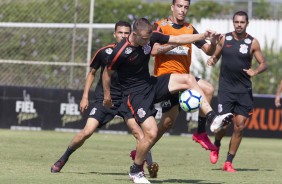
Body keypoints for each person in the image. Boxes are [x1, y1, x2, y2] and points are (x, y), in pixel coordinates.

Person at [102, 18, 233, 183]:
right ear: (134, 35)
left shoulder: (151, 36)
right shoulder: (120, 51)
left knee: (188, 79)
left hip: (151, 83)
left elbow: (178, 39)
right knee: (151, 133)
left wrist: (203, 36)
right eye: (143, 39)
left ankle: (213, 118)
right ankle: (136, 171)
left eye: (149, 38)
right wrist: (107, 95)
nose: (147, 42)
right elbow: (107, 73)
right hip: (135, 95)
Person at [50, 21, 157, 174]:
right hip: (105, 100)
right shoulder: (104, 52)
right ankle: (63, 158)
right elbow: (92, 73)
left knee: (140, 133)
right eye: (120, 32)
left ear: (132, 34)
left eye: (126, 33)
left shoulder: (136, 50)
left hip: (126, 99)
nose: (123, 35)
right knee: (87, 131)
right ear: (114, 34)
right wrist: (85, 96)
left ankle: (148, 166)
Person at [150, 0, 218, 151]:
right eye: (179, 6)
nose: (182, 10)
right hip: (165, 80)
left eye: (186, 7)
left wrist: (213, 43)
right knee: (165, 125)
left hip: (185, 81)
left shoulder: (189, 28)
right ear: (172, 7)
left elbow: (208, 51)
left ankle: (200, 132)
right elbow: (154, 51)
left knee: (208, 89)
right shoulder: (160, 26)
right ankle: (143, 149)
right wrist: (177, 42)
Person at [207, 11, 267, 172]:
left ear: (247, 24)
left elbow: (263, 63)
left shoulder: (252, 42)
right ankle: (217, 145)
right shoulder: (224, 38)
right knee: (223, 124)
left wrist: (255, 71)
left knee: (239, 126)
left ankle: (228, 162)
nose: (239, 24)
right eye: (236, 22)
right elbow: (215, 56)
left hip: (243, 91)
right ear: (233, 23)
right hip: (226, 89)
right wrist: (212, 59)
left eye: (242, 22)